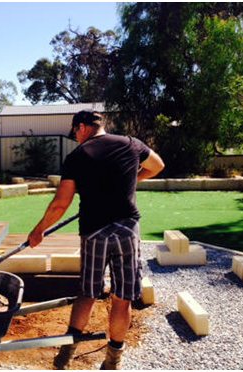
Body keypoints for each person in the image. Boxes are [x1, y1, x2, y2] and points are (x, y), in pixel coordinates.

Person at [27, 110, 164, 370]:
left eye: (75, 132)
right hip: (127, 229)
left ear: (82, 127)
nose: (76, 137)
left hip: (94, 232)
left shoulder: (77, 156)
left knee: (88, 293)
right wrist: (133, 179)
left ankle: (65, 357)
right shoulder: (130, 143)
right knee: (122, 298)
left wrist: (39, 230)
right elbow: (157, 165)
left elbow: (61, 203)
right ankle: (113, 359)